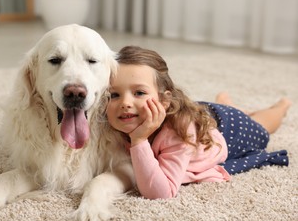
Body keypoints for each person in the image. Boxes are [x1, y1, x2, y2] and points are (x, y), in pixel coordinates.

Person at [105, 45, 291, 200]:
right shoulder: (114, 122)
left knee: (261, 125)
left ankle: (281, 107)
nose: (125, 103)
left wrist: (139, 140)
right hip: (203, 113)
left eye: (139, 93)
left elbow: (161, 193)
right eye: (114, 95)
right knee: (209, 111)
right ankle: (226, 102)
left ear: (163, 101)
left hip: (228, 132)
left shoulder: (178, 133)